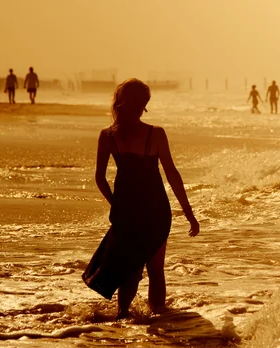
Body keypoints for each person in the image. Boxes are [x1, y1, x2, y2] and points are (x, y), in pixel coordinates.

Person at [83, 78, 200, 320]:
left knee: (130, 267)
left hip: (126, 209)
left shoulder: (108, 136)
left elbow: (100, 178)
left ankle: (122, 316)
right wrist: (189, 213)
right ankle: (158, 323)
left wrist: (116, 204)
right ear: (143, 104)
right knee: (156, 269)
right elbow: (172, 175)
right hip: (155, 210)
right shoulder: (155, 134)